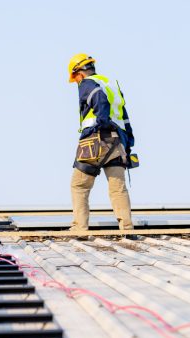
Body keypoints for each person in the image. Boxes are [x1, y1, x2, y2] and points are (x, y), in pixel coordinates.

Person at [67, 53, 135, 233]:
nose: (76, 82)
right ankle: (127, 229)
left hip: (96, 140)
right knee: (118, 187)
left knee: (79, 185)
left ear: (79, 73)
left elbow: (100, 102)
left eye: (75, 78)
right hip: (118, 142)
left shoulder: (88, 84)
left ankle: (80, 229)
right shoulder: (111, 84)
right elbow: (124, 116)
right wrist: (128, 143)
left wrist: (100, 125)